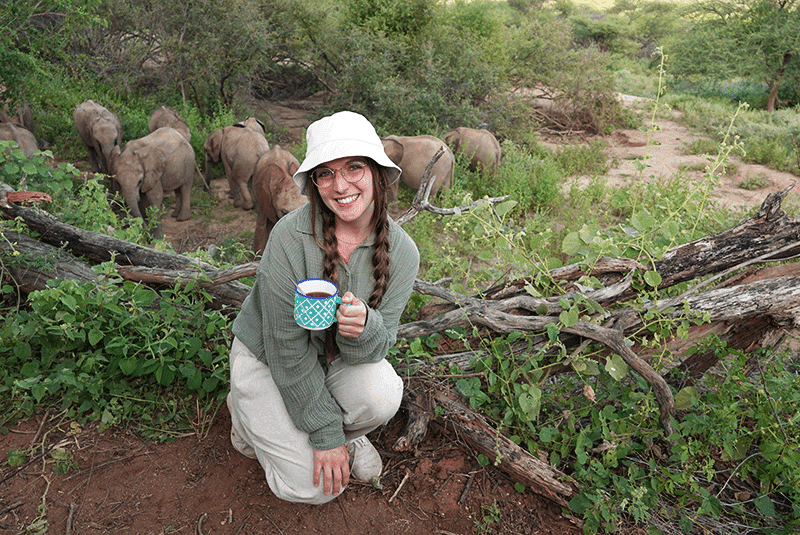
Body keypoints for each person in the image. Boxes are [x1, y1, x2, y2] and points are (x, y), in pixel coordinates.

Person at [227, 111, 420, 504]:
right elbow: (284, 345)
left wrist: (364, 328)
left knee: (383, 391)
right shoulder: (288, 236)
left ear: (377, 174)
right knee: (313, 487)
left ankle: (317, 429)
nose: (341, 184)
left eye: (354, 167)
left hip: (330, 360)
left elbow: (379, 348)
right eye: (326, 173)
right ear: (314, 183)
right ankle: (247, 415)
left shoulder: (403, 251)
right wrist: (327, 435)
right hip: (267, 357)